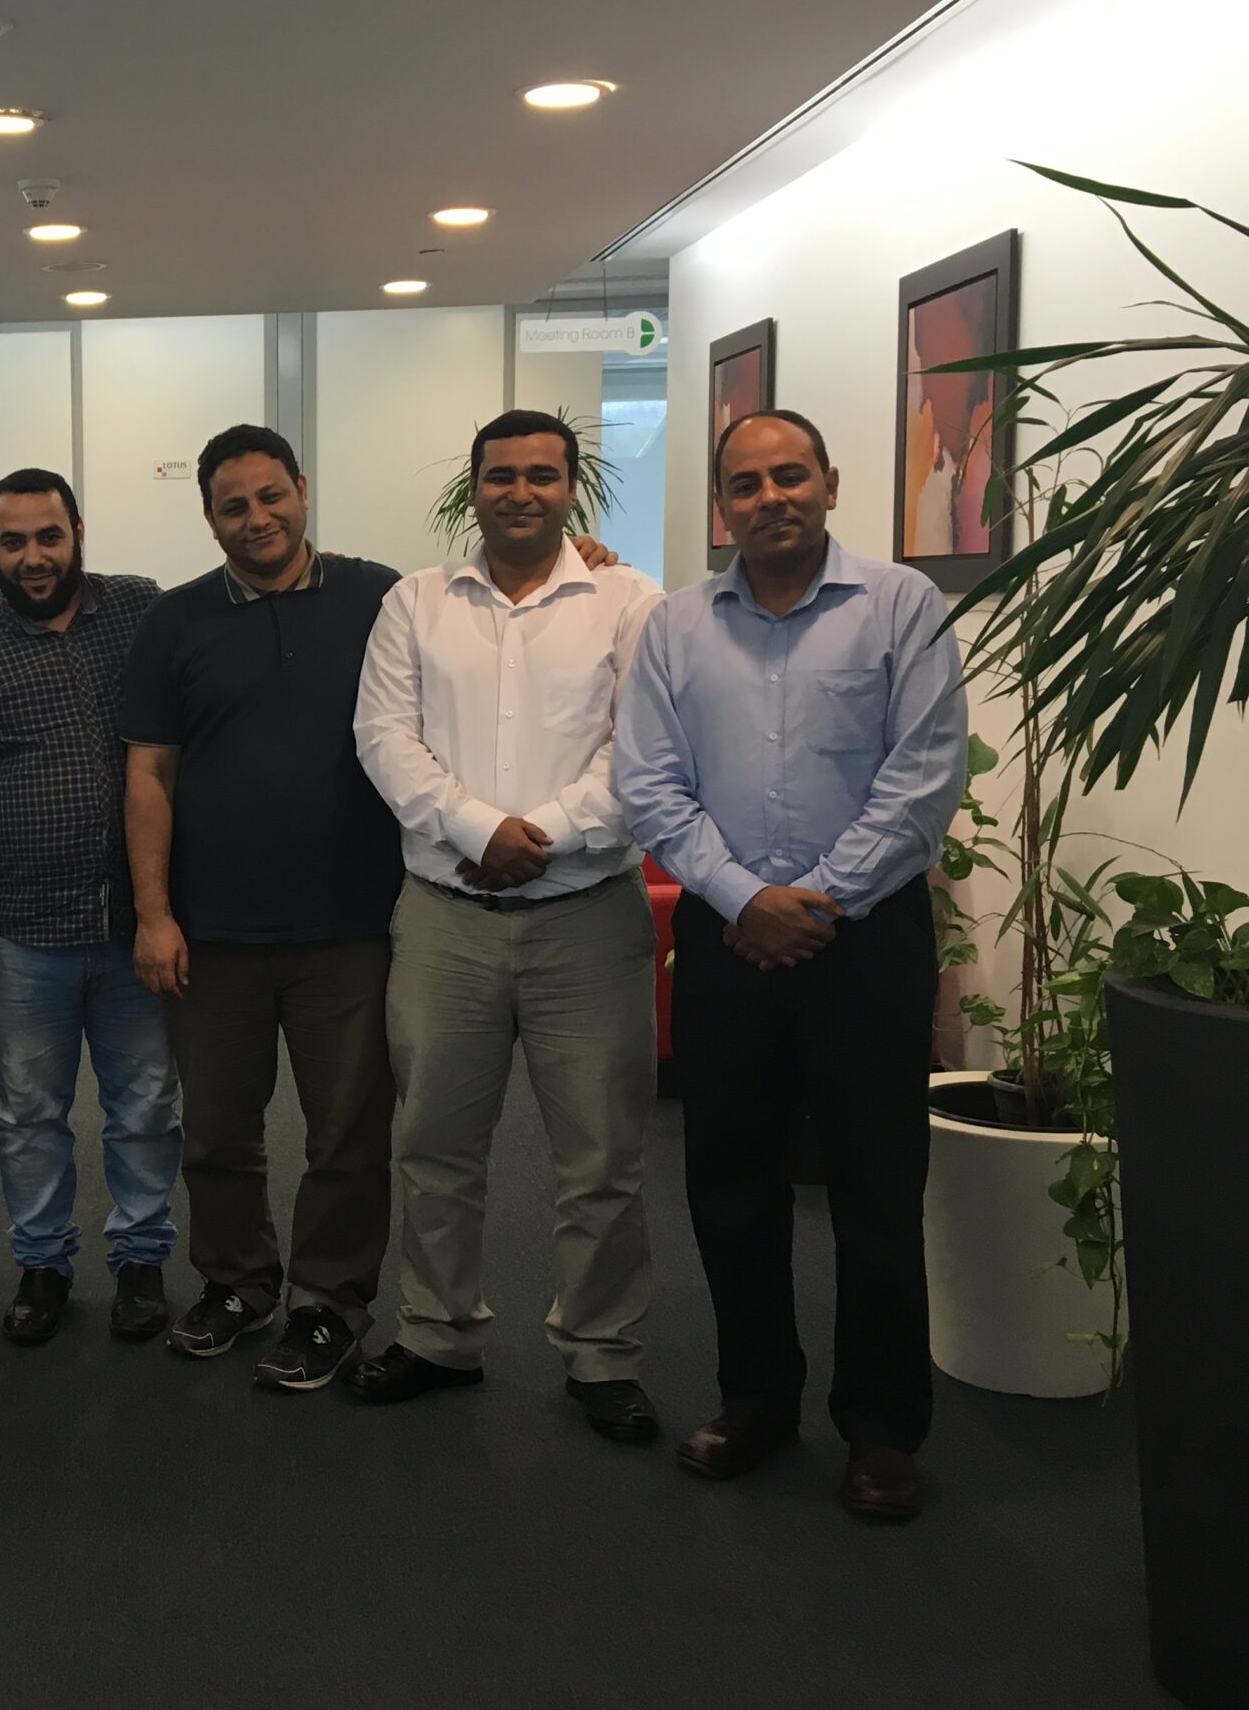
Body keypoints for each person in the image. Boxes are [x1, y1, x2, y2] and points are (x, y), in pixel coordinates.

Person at [614, 408, 968, 1522]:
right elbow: (647, 783)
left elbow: (924, 777)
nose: (770, 497)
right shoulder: (675, 628)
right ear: (721, 504)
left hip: (866, 943)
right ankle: (757, 1399)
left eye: (790, 475)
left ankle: (882, 1427)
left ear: (829, 483)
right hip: (728, 942)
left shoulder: (902, 605)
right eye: (746, 483)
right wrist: (742, 898)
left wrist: (814, 901)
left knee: (876, 1186)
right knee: (730, 1183)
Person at [349, 410, 664, 1443]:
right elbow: (384, 737)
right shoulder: (415, 603)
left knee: (602, 1159)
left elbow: (643, 750)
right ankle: (436, 1333)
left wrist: (546, 836)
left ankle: (601, 1353)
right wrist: (479, 830)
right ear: (472, 486)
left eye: (541, 474)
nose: (520, 492)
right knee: (433, 1144)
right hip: (446, 921)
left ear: (571, 487)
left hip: (589, 921)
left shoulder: (630, 600)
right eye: (500, 475)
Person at [120, 424, 405, 1390]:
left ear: (303, 490)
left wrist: (585, 554)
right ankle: (237, 1282)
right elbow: (149, 774)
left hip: (349, 926)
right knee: (215, 1133)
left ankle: (329, 1303)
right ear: (209, 517)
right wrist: (154, 913)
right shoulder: (175, 621)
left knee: (348, 1135)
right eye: (233, 506)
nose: (257, 518)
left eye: (271, 495)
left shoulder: (379, 597)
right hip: (214, 931)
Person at [0, 467, 180, 1347]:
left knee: (146, 1104)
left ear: (79, 533)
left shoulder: (141, 613)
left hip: (135, 922)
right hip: (20, 932)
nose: (33, 557)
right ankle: (43, 1263)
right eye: (13, 541)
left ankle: (140, 1258)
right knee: (28, 1113)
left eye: (49, 537)